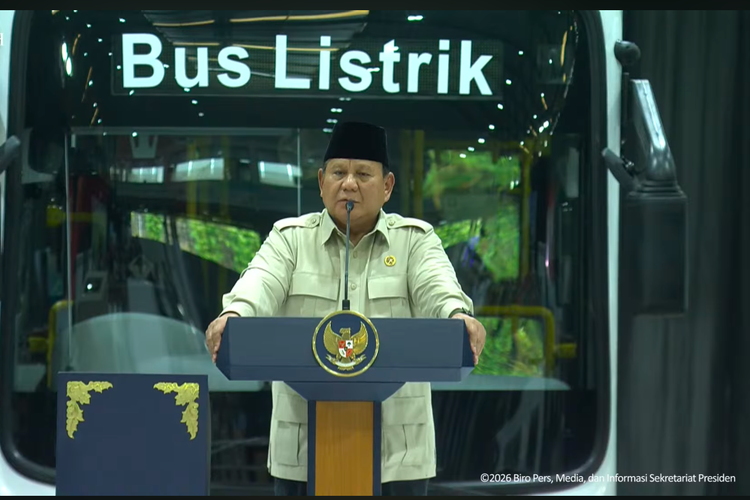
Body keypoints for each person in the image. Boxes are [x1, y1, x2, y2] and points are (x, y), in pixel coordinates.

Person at [205, 121, 487, 496]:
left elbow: (437, 286)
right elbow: (260, 281)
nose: (349, 184)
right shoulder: (290, 239)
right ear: (322, 182)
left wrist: (456, 315)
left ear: (387, 186)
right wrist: (234, 314)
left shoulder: (415, 241)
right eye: (338, 173)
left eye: (363, 174)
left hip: (398, 457)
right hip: (303, 454)